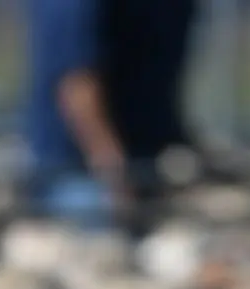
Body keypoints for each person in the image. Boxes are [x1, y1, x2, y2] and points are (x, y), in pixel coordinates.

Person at [22, 0, 200, 230]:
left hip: (150, 161)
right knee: (106, 234)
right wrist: (115, 177)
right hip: (75, 169)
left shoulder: (170, 8)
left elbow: (158, 88)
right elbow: (76, 87)